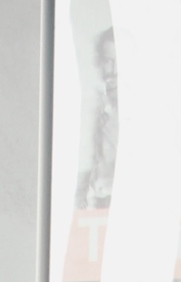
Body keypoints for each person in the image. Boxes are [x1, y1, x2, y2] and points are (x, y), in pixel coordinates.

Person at [76, 26, 118, 209]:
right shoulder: (96, 105)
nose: (114, 70)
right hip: (96, 206)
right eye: (108, 61)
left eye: (121, 61)